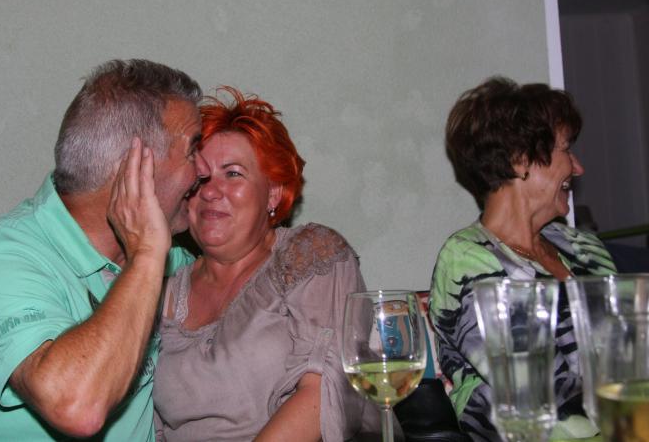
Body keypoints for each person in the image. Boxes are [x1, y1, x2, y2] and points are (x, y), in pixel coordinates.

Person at [0, 59, 209, 440]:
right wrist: (147, 254)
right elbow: (77, 407)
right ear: (134, 169)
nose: (203, 169)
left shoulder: (175, 265)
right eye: (192, 149)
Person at [152, 87, 388, 442]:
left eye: (233, 174)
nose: (211, 191)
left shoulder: (311, 255)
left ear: (273, 193)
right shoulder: (163, 290)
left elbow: (322, 394)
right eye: (201, 178)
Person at [429, 76, 617, 441]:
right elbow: (543, 399)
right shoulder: (467, 260)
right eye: (566, 150)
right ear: (520, 159)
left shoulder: (583, 248)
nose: (578, 167)